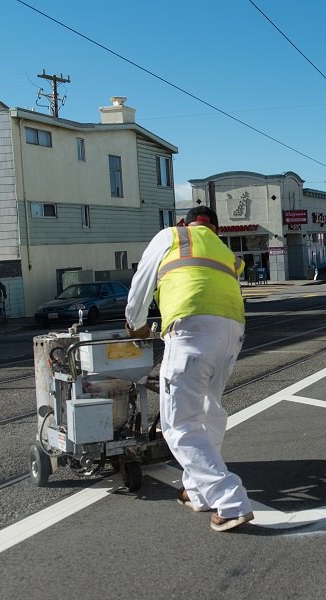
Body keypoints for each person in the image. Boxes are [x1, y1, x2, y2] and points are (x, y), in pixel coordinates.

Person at [125, 206, 254, 532]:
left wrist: (135, 324)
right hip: (232, 332)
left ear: (186, 223)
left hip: (191, 328)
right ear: (215, 229)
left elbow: (142, 281)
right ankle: (197, 492)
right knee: (209, 411)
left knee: (179, 425)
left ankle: (230, 500)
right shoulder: (226, 252)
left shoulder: (172, 236)